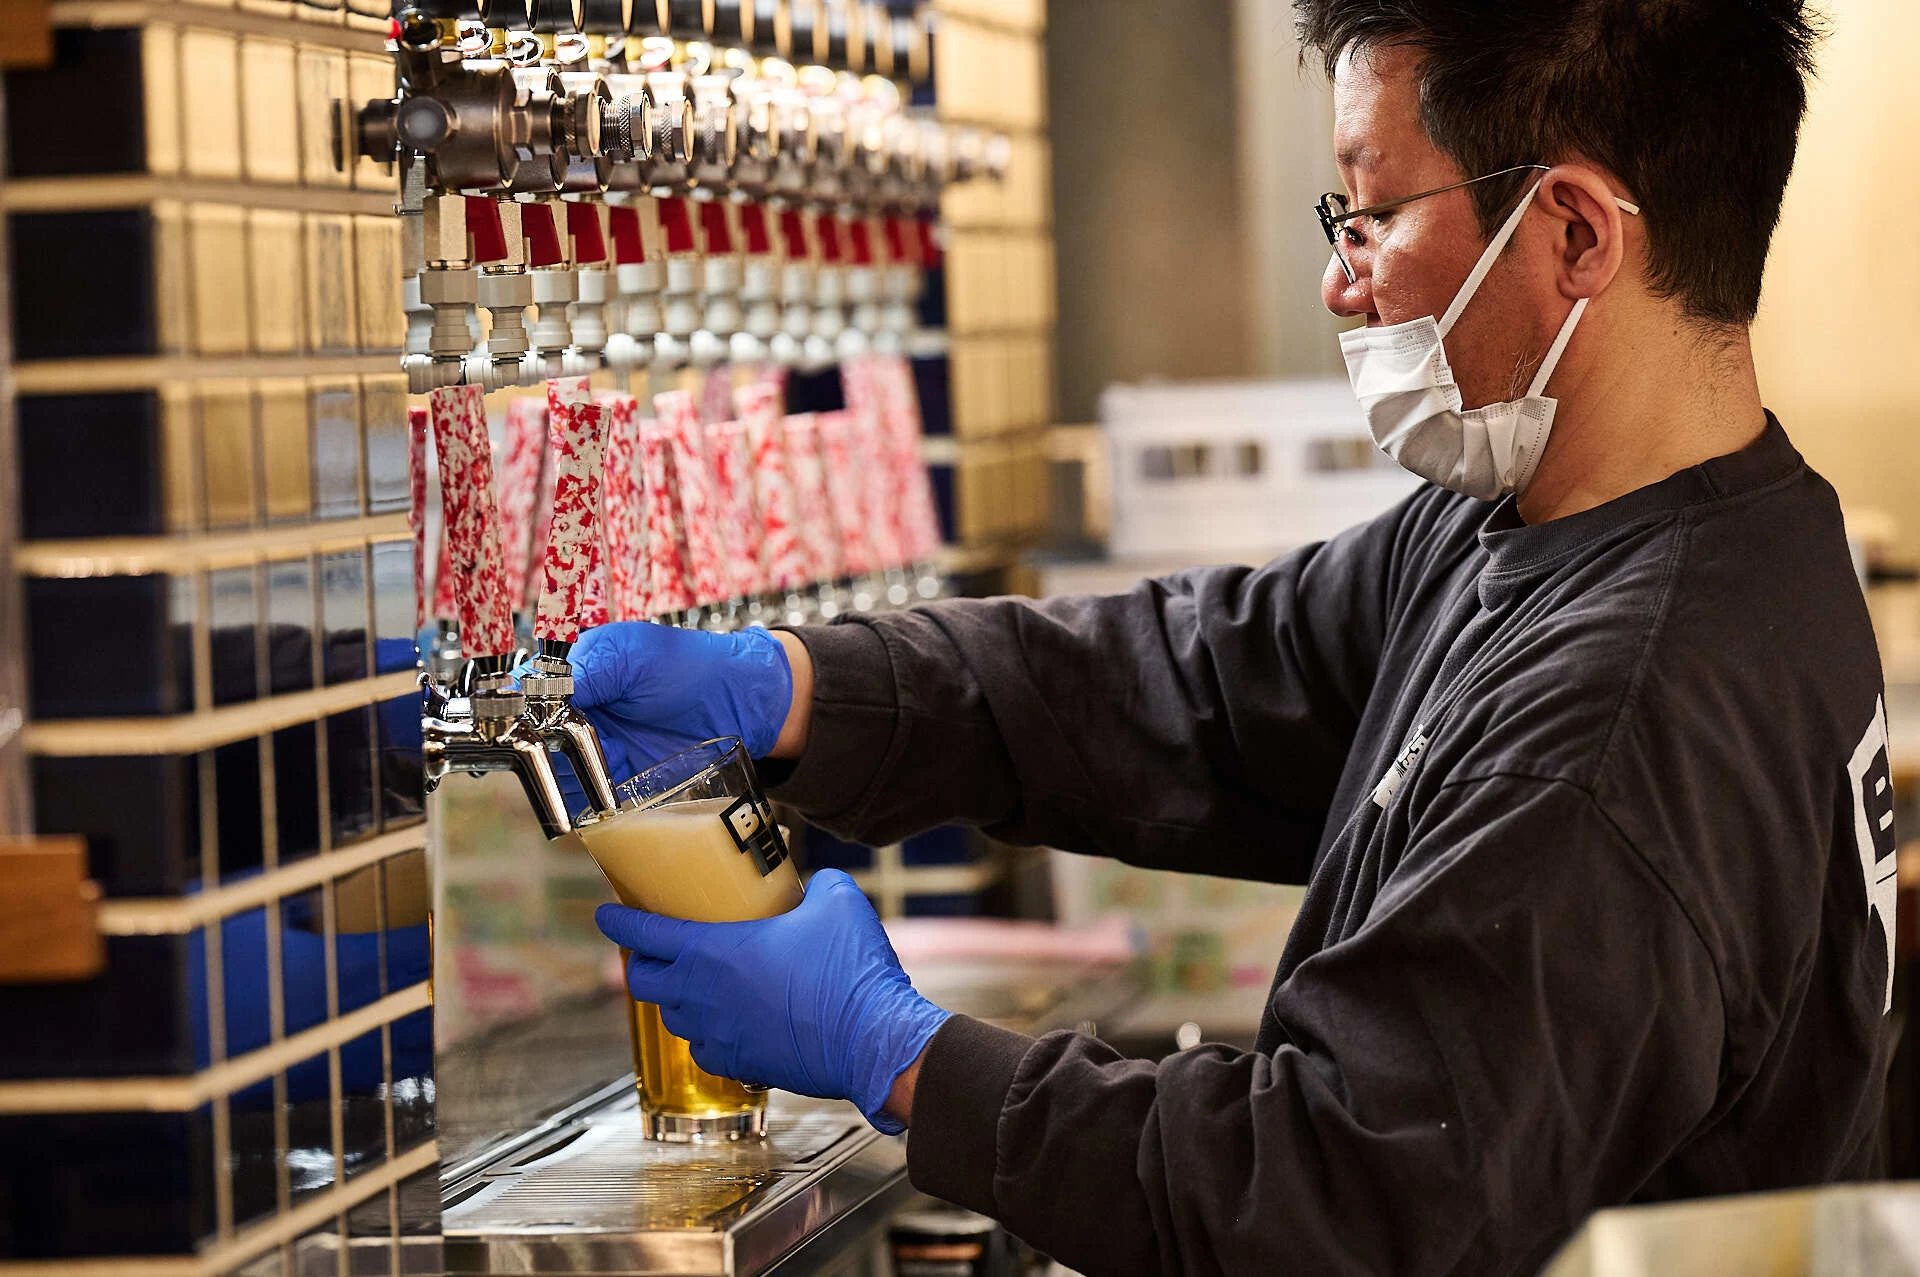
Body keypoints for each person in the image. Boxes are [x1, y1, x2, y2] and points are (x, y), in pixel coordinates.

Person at [575, 0, 1898, 1271]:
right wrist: (808, 688)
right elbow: (1199, 684)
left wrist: (903, 1055)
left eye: (1375, 216)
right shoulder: (1574, 526)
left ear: (1572, 234)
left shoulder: (1630, 712)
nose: (1341, 282)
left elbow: (1332, 1207)